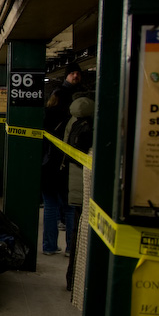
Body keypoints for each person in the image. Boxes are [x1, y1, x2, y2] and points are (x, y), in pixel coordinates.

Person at [41, 62, 84, 255]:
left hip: (51, 162)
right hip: (69, 164)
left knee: (51, 206)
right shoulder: (81, 109)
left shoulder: (51, 109)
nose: (75, 76)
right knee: (69, 207)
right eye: (72, 73)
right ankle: (70, 248)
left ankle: (50, 247)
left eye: (77, 73)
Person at [63, 96, 95, 290]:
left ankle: (72, 280)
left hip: (74, 184)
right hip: (86, 188)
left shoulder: (73, 122)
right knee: (82, 235)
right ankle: (78, 281)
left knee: (77, 231)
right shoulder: (90, 127)